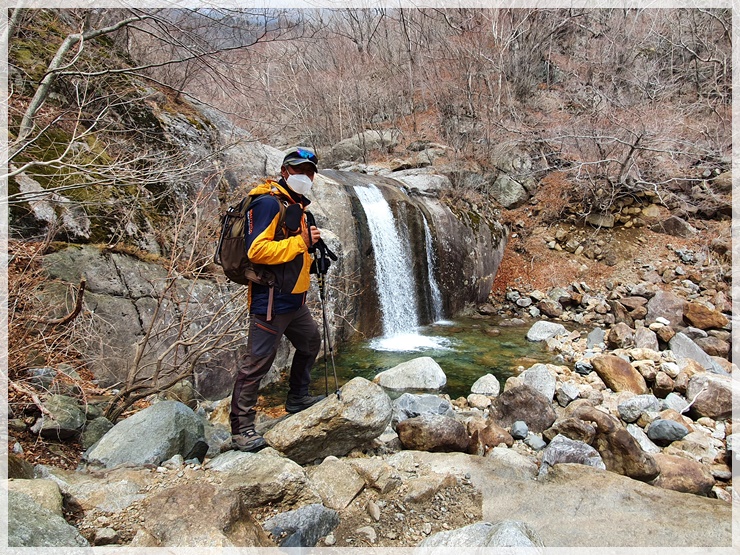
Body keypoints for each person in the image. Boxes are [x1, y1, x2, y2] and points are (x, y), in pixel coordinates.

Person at [229, 146, 325, 452]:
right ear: (285, 171)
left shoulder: (296, 205)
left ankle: (298, 397)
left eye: (309, 172)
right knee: (257, 363)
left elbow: (293, 250)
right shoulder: (269, 203)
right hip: (271, 300)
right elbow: (256, 250)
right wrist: (301, 242)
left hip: (294, 301)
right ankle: (241, 429)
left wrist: (313, 254)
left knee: (310, 342)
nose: (305, 176)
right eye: (299, 170)